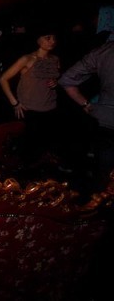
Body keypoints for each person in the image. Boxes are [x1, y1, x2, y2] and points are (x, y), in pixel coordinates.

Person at [58, 16, 114, 191]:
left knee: (103, 173)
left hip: (106, 120)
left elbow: (66, 80)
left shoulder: (104, 51)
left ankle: (100, 202)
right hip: (105, 121)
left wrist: (85, 104)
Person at [0, 24, 62, 171]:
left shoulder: (55, 59)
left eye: (54, 38)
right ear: (38, 40)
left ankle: (40, 177)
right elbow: (3, 79)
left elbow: (54, 77)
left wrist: (55, 82)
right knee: (27, 150)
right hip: (29, 110)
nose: (52, 41)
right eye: (48, 38)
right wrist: (15, 103)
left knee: (44, 149)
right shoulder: (27, 59)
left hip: (50, 109)